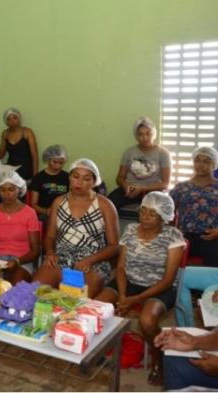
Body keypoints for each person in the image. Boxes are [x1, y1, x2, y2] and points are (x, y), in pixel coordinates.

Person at [95, 192, 185, 385]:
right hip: (128, 281)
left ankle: (158, 358)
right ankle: (99, 349)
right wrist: (123, 295)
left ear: (163, 217)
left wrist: (134, 300)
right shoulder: (130, 230)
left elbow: (169, 279)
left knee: (147, 320)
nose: (144, 217)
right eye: (142, 211)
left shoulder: (173, 236)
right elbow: (119, 267)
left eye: (152, 214)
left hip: (159, 286)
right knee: (96, 307)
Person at [33, 158, 119, 298]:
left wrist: (89, 260)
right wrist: (49, 253)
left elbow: (114, 246)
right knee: (37, 292)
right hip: (61, 256)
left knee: (77, 298)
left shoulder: (105, 205)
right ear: (69, 177)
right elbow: (49, 237)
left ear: (94, 182)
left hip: (93, 260)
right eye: (75, 176)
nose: (79, 182)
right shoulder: (59, 202)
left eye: (86, 178)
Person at [0, 171, 40, 284]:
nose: (7, 194)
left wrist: (17, 261)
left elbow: (35, 251)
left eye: (11, 189)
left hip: (22, 260)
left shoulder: (30, 213)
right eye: (3, 190)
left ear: (19, 190)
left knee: (16, 286)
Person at [108, 116, 172, 210]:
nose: (145, 138)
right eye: (140, 134)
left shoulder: (163, 153)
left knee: (158, 210)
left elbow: (165, 184)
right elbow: (119, 178)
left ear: (154, 134)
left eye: (148, 133)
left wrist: (142, 188)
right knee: (108, 204)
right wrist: (125, 185)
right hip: (130, 189)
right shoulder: (129, 152)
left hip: (152, 190)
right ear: (136, 136)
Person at [170, 146, 218, 267]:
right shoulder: (181, 187)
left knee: (213, 270)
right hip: (184, 236)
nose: (201, 164)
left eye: (206, 161)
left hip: (212, 236)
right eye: (197, 160)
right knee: (169, 262)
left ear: (214, 164)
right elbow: (167, 211)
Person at [0, 107, 38, 182]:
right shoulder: (5, 133)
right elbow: (1, 153)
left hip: (26, 168)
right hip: (11, 167)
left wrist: (35, 176)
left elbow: (34, 155)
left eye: (14, 118)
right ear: (6, 122)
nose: (12, 121)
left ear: (19, 119)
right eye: (9, 119)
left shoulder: (27, 132)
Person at [30, 145, 69, 222]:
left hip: (64, 213)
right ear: (48, 159)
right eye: (54, 162)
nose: (57, 166)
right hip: (45, 214)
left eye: (61, 163)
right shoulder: (38, 178)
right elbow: (33, 204)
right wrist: (46, 211)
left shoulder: (68, 177)